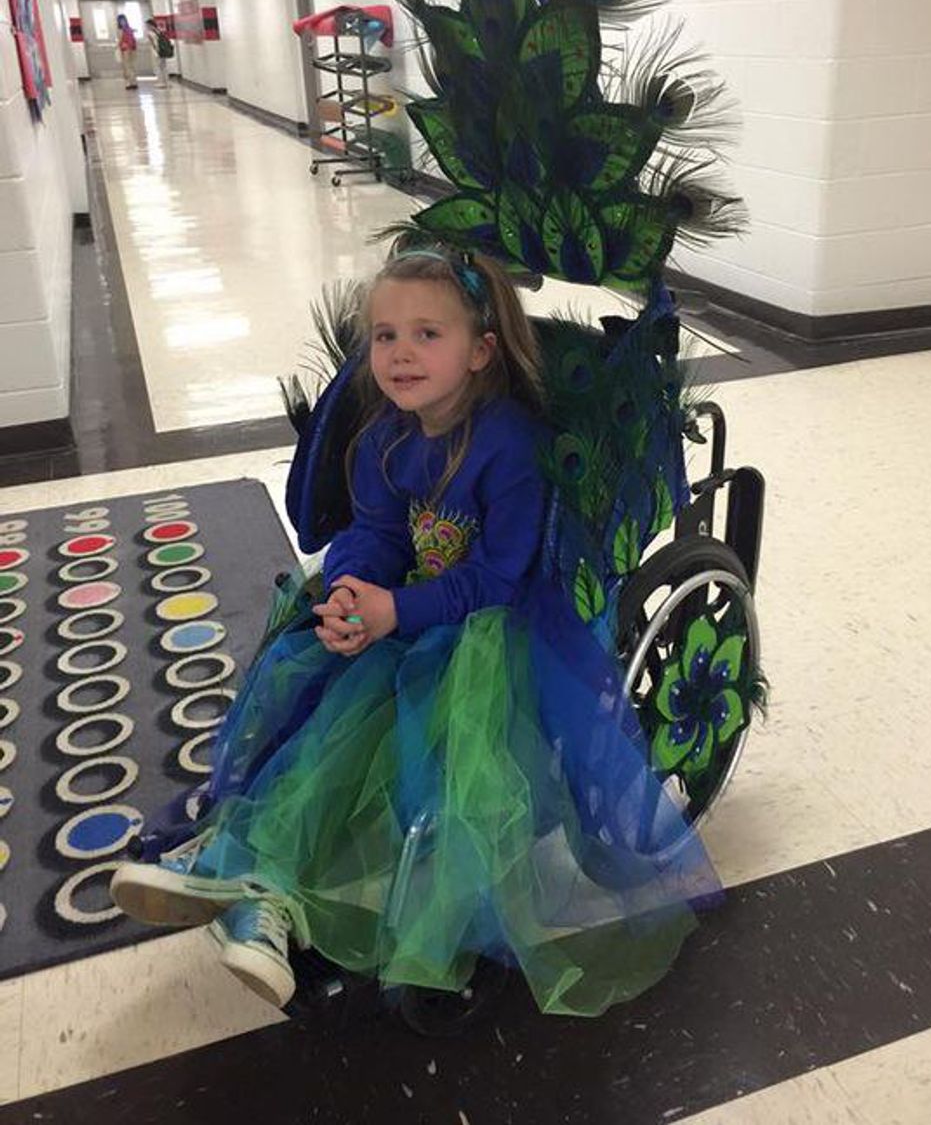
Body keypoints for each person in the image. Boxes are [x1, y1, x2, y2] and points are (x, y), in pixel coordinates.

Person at [110, 242, 720, 1018]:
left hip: (501, 629)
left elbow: (500, 577)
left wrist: (395, 610)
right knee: (313, 695)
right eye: (386, 335)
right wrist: (352, 586)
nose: (401, 353)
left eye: (428, 334)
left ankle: (262, 882)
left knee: (367, 734)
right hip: (409, 608)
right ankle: (246, 872)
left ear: (480, 351)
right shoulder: (385, 437)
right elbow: (375, 530)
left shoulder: (510, 447)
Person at [144, 18, 170, 87]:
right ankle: (166, 81)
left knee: (158, 67)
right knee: (164, 66)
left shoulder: (149, 33)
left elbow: (152, 43)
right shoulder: (159, 30)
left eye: (147, 25)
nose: (146, 27)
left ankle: (161, 82)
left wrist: (156, 50)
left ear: (150, 25)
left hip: (156, 51)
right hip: (163, 50)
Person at [116, 14, 137, 89]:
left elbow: (132, 39)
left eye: (123, 20)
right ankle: (129, 82)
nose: (122, 22)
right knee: (126, 66)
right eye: (121, 21)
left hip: (130, 49)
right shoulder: (121, 30)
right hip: (125, 49)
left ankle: (133, 82)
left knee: (130, 66)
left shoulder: (128, 29)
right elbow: (120, 40)